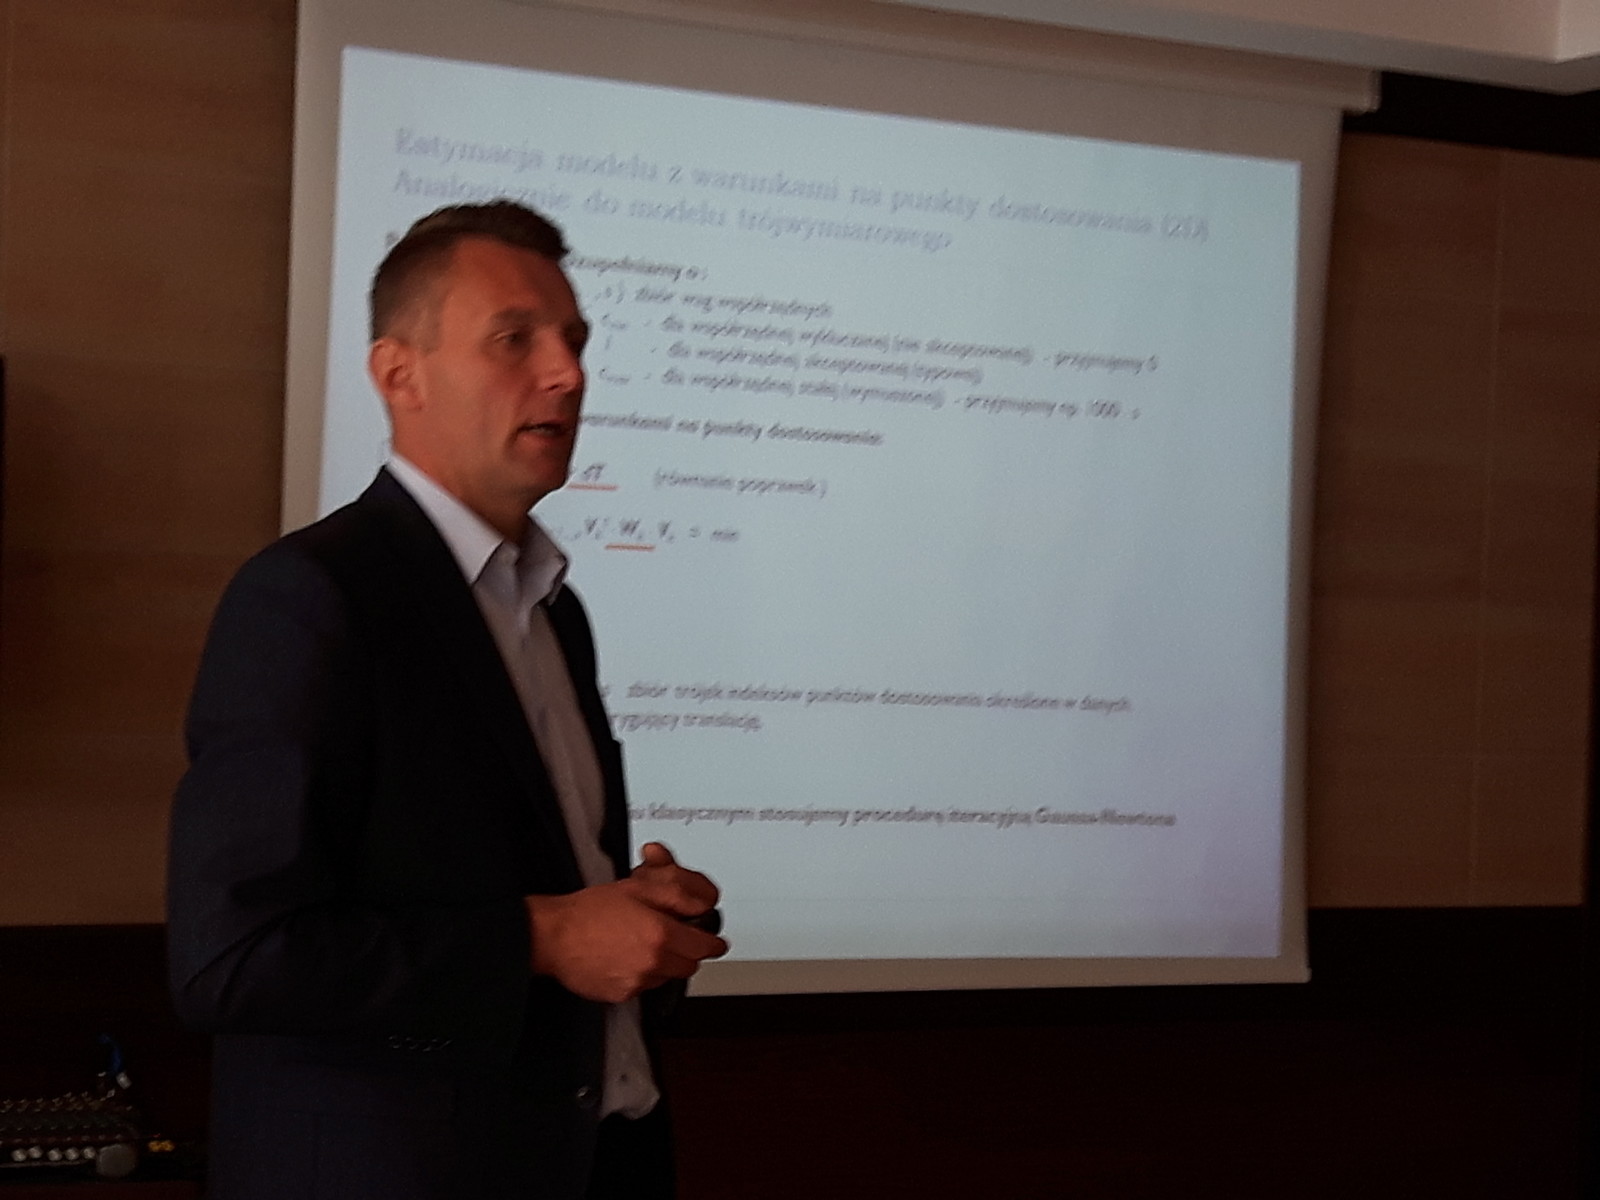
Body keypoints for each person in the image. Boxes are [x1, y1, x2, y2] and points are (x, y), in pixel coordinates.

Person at [166, 201, 727, 1200]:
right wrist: (547, 937)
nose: (567, 373)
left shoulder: (555, 610)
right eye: (515, 339)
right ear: (399, 375)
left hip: (598, 1158)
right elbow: (235, 959)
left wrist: (638, 920)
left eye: (575, 340)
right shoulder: (311, 597)